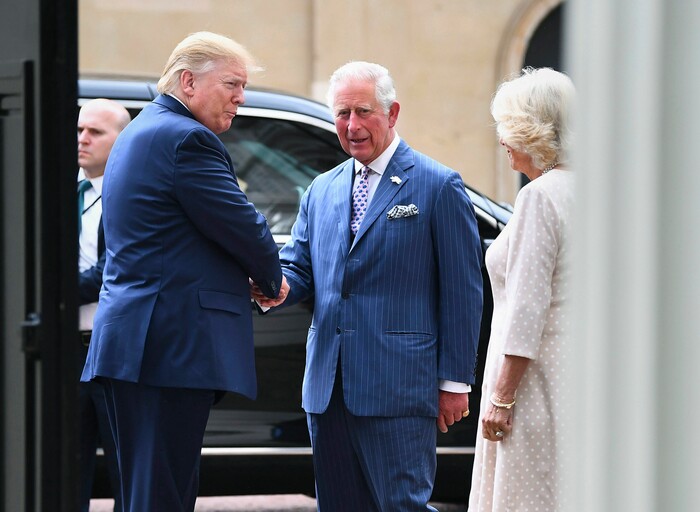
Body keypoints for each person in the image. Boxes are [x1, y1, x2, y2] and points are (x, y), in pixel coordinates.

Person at [253, 61, 483, 511]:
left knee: (402, 505)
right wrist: (271, 285)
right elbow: (300, 268)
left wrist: (455, 382)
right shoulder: (321, 188)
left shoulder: (438, 186)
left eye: (363, 112)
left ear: (392, 113)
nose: (352, 126)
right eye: (342, 114)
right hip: (328, 387)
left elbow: (463, 292)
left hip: (398, 387)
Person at [81, 32, 284, 512]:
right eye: (232, 83)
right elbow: (245, 227)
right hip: (168, 346)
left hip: (136, 342)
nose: (241, 97)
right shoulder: (187, 138)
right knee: (163, 495)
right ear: (188, 81)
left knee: (144, 492)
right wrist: (271, 280)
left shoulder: (138, 133)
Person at [467, 67, 575, 511]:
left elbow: (528, 306)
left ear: (530, 130)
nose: (501, 139)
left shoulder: (541, 196)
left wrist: (501, 397)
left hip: (536, 384)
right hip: (579, 378)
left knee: (527, 499)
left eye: (506, 127)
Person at [77, 98, 130, 512]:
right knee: (62, 466)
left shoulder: (128, 193)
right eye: (79, 130)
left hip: (111, 348)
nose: (83, 139)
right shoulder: (56, 189)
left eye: (96, 132)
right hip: (62, 350)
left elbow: (112, 272)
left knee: (125, 468)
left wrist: (53, 291)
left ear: (121, 139)